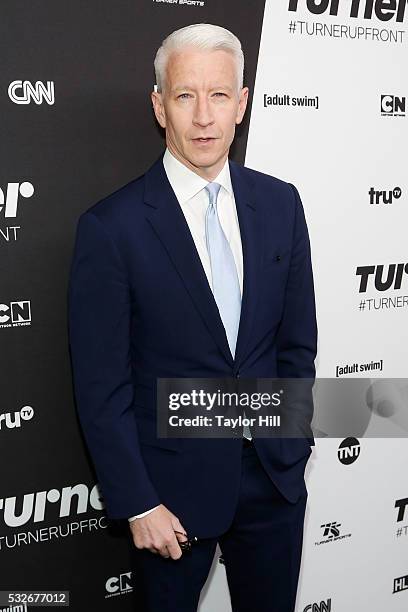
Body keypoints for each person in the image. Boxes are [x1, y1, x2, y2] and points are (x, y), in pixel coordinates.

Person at [68, 22, 317, 612]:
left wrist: (292, 443)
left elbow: (296, 345)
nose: (204, 116)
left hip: (273, 483)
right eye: (185, 96)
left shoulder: (281, 204)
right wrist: (136, 502)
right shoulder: (113, 227)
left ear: (242, 103)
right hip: (169, 501)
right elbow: (103, 388)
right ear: (160, 106)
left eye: (219, 95)